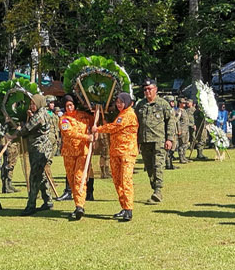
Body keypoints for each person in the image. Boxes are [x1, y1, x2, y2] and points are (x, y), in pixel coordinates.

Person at [95, 92, 139, 221]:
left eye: (121, 102)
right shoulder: (121, 114)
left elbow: (115, 127)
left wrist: (98, 129)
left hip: (126, 152)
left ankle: (129, 209)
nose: (119, 105)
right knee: (117, 181)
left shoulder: (129, 114)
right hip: (116, 152)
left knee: (125, 181)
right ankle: (124, 207)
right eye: (117, 102)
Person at [11, 94, 54, 216]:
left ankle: (31, 205)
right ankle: (48, 200)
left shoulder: (40, 115)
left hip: (40, 149)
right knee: (41, 175)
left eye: (34, 104)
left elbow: (27, 129)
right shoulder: (43, 112)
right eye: (31, 104)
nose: (32, 106)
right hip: (39, 148)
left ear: (39, 103)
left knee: (34, 177)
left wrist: (16, 132)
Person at [134, 78, 175, 202]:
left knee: (158, 165)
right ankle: (154, 188)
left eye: (149, 89)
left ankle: (158, 191)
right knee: (149, 167)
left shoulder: (163, 104)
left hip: (159, 140)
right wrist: (136, 141)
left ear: (155, 90)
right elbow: (136, 123)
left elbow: (171, 122)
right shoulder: (140, 105)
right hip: (145, 141)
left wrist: (170, 139)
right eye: (145, 90)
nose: (147, 92)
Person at [59, 95, 93, 220]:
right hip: (69, 154)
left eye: (71, 105)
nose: (69, 107)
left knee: (80, 178)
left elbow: (95, 121)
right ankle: (77, 203)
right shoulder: (63, 119)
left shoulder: (83, 116)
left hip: (82, 152)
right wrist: (86, 137)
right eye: (67, 105)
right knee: (72, 180)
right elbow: (69, 133)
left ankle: (80, 206)